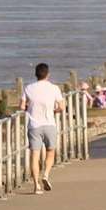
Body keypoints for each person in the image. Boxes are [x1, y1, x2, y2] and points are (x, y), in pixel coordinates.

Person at [23, 62, 66, 194]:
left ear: (36, 74)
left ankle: (36, 186)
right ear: (48, 74)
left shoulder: (28, 88)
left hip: (34, 125)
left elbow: (21, 106)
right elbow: (62, 107)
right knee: (50, 151)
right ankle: (46, 174)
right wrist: (55, 110)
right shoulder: (54, 88)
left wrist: (29, 109)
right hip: (49, 124)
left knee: (34, 155)